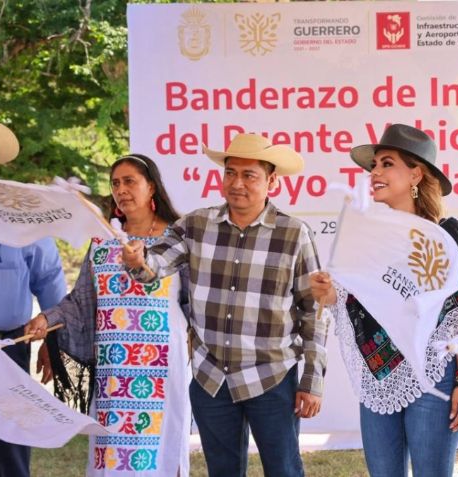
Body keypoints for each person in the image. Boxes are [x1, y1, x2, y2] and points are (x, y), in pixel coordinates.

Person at [119, 134, 325, 477]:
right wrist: (137, 260)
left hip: (271, 378)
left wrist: (312, 380)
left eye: (249, 175)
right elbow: (154, 267)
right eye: (230, 173)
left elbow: (314, 310)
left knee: (285, 471)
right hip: (210, 378)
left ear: (272, 181)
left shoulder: (294, 234)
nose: (237, 183)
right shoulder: (196, 225)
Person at [309, 124, 458, 477]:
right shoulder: (362, 233)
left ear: (415, 174)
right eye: (374, 165)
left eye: (386, 164)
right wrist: (327, 292)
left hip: (434, 375)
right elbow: (349, 300)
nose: (374, 173)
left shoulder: (446, 234)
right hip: (377, 374)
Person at [25, 154, 192, 476]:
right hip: (113, 366)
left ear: (152, 187)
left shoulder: (177, 238)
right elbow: (80, 302)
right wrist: (45, 319)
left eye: (130, 181)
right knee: (111, 451)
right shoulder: (102, 241)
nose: (121, 190)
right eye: (116, 183)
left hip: (161, 362)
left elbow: (197, 301)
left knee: (159, 449)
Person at [0, 120, 67, 477]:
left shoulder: (22, 214)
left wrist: (54, 345)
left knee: (9, 448)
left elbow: (50, 280)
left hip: (8, 347)